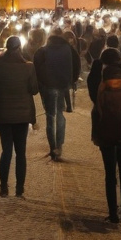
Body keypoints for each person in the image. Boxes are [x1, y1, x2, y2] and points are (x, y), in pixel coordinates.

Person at [0, 35, 38, 197]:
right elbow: (34, 89)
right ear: (19, 48)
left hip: (3, 112)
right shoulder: (28, 67)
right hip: (22, 114)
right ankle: (19, 188)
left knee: (6, 150)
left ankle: (3, 187)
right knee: (21, 152)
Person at [92, 49, 121, 223]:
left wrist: (96, 132)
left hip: (106, 132)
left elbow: (97, 109)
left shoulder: (102, 82)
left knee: (110, 173)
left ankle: (113, 212)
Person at [34, 31, 81, 160]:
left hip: (48, 87)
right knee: (60, 114)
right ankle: (59, 146)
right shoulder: (69, 50)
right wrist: (71, 81)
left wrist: (41, 85)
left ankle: (52, 147)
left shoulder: (42, 51)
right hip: (62, 86)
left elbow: (36, 69)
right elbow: (77, 66)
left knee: (50, 116)